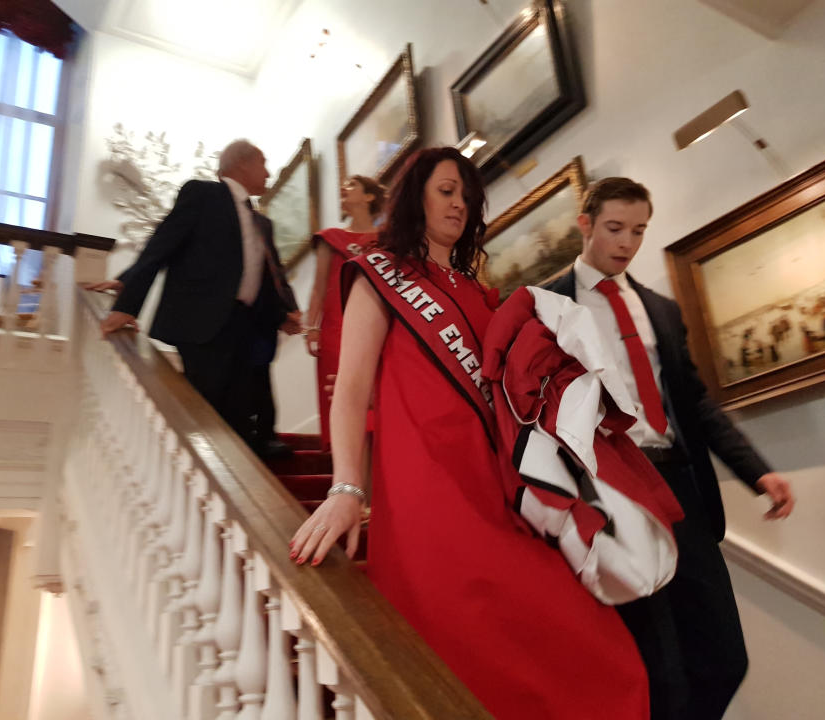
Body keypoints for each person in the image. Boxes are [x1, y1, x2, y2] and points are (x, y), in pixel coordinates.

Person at [290, 148, 650, 719]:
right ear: (416, 196)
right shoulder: (380, 272)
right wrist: (345, 489)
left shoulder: (476, 290)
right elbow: (352, 389)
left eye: (466, 195)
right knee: (459, 649)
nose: (459, 204)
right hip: (428, 491)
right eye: (446, 191)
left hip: (500, 484)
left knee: (594, 649)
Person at [542, 177, 796, 720]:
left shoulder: (658, 308)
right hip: (609, 490)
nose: (626, 243)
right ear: (584, 224)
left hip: (679, 484)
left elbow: (695, 402)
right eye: (614, 228)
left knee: (725, 657)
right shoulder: (547, 307)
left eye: (638, 231)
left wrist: (757, 472)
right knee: (659, 666)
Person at [93, 139, 302, 456]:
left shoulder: (259, 221)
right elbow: (162, 245)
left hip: (244, 327)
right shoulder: (203, 194)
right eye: (263, 163)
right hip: (203, 322)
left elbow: (262, 276)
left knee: (238, 418)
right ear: (242, 163)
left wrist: (281, 315)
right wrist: (127, 305)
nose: (268, 173)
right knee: (204, 413)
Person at [304, 175, 385, 450]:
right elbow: (318, 288)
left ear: (369, 196)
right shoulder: (329, 239)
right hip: (336, 330)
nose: (343, 188)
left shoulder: (388, 239)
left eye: (352, 185)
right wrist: (310, 328)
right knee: (342, 397)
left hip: (379, 328)